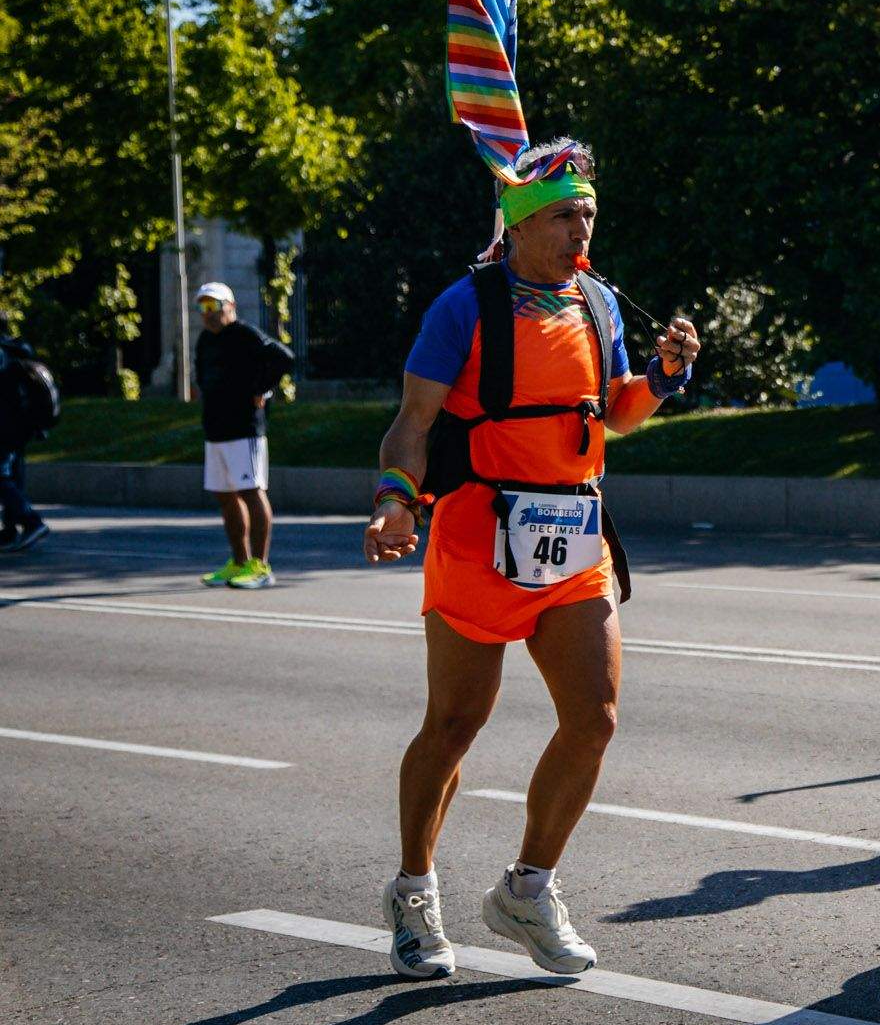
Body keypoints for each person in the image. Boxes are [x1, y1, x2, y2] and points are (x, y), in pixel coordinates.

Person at [362, 140, 699, 981]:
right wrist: (396, 496)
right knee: (454, 723)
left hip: (573, 537)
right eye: (564, 215)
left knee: (596, 716)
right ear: (517, 226)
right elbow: (412, 420)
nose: (581, 227)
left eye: (588, 212)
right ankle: (412, 890)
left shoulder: (598, 302)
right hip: (478, 535)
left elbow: (616, 415)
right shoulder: (463, 306)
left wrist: (659, 377)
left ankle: (528, 887)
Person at [193, 282, 295, 588]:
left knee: (251, 492)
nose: (209, 314)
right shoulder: (204, 341)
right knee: (226, 497)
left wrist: (263, 388)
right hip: (216, 431)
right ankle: (238, 563)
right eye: (203, 307)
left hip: (244, 430)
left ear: (231, 306)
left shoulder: (244, 334)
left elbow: (284, 357)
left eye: (214, 306)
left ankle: (260, 567)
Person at [0, 330, 54, 553]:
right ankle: (10, 530)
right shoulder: (14, 348)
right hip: (21, 425)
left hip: (5, 425)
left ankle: (31, 521)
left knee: (1, 478)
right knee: (12, 473)